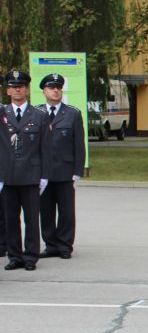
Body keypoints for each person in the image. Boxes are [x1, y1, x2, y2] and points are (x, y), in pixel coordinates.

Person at [0, 69, 49, 271]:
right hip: (8, 175)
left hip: (31, 175)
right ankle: (15, 256)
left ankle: (30, 257)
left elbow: (45, 148)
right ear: (8, 91)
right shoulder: (2, 113)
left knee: (31, 218)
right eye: (13, 86)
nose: (17, 89)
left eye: (21, 86)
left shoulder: (39, 115)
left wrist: (45, 175)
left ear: (27, 90)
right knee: (11, 219)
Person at [37, 73, 85, 259]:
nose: (55, 91)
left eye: (58, 87)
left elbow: (78, 145)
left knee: (66, 212)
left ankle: (65, 245)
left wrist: (77, 171)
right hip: (43, 172)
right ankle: (50, 245)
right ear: (44, 91)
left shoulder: (72, 113)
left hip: (65, 171)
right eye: (51, 88)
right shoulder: (37, 112)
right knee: (45, 211)